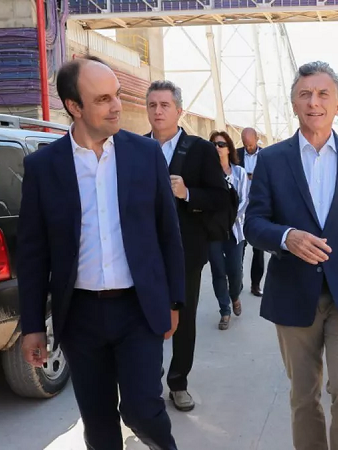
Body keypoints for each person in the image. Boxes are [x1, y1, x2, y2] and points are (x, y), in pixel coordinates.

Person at [17, 56, 184, 450]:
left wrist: (174, 301)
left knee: (143, 410)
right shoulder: (43, 167)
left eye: (118, 95)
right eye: (103, 99)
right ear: (74, 106)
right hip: (80, 316)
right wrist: (33, 325)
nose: (116, 107)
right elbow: (33, 253)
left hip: (138, 310)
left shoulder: (145, 154)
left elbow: (168, 234)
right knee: (98, 424)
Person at [244, 61, 338, 450]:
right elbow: (253, 223)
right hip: (293, 292)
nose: (314, 102)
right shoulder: (272, 159)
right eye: (304, 94)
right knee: (304, 396)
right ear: (294, 104)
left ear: (337, 103)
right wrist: (286, 236)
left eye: (323, 94)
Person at [146, 80, 231, 412]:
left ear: (179, 110)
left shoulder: (200, 150)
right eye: (152, 105)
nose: (158, 111)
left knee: (183, 318)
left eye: (164, 105)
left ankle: (178, 383)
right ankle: (149, 380)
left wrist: (188, 193)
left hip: (186, 251)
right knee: (145, 318)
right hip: (144, 253)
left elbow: (220, 198)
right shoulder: (135, 147)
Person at [208, 131, 249, 330]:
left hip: (235, 230)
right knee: (218, 271)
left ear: (229, 148)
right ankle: (224, 311)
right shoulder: (206, 173)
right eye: (214, 145)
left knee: (235, 271)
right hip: (213, 232)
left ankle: (235, 295)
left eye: (221, 144)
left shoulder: (239, 173)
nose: (217, 148)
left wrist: (228, 219)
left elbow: (245, 200)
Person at [237, 127, 265, 297]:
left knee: (258, 249)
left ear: (257, 139)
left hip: (258, 207)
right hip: (239, 207)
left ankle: (256, 284)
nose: (248, 148)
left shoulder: (266, 156)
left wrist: (256, 177)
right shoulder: (236, 154)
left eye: (251, 144)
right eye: (245, 144)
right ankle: (237, 282)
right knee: (239, 247)